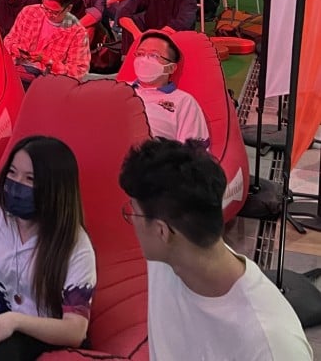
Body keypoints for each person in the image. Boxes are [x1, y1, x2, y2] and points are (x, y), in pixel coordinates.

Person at [119, 138, 311, 360]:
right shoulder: (168, 260)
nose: (132, 221)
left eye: (133, 213)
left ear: (162, 231)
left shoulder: (271, 346)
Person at [0, 136, 95, 361]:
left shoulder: (75, 246)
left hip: (41, 340)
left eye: (30, 179)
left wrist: (13, 321)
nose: (17, 183)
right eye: (11, 172)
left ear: (55, 189)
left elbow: (76, 330)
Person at [3, 0, 91, 85]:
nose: (48, 14)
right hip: (17, 69)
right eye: (45, 8)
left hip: (48, 81)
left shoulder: (77, 32)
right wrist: (15, 48)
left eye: (54, 12)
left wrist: (49, 62)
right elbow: (8, 40)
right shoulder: (29, 12)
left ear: (68, 8)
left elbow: (79, 73)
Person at [127, 31, 208, 143]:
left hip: (149, 155)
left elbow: (194, 152)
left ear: (170, 68)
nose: (144, 60)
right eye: (140, 54)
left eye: (154, 55)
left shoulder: (184, 102)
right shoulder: (120, 89)